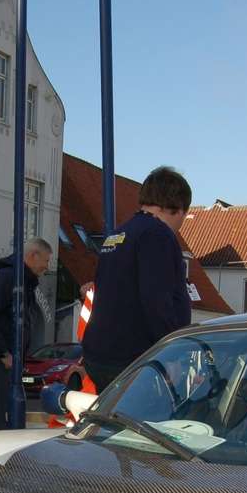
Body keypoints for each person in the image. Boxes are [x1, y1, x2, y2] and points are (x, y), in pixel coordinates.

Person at [81, 166, 193, 390]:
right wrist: (171, 352)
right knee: (147, 423)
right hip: (135, 358)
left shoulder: (118, 234)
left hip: (100, 353)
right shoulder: (157, 235)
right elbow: (156, 301)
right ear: (178, 207)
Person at [0, 239, 53, 430]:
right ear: (33, 256)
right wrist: (3, 353)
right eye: (46, 261)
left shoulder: (23, 282)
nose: (47, 267)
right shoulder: (7, 278)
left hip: (5, 357)